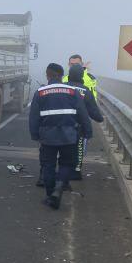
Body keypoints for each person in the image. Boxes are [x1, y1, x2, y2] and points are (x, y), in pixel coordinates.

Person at [30, 63, 92, 210]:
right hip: (69, 135)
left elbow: (33, 117)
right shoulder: (72, 91)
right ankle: (59, 188)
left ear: (47, 75)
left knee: (48, 165)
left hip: (47, 136)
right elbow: (82, 113)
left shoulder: (40, 92)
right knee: (67, 164)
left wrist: (35, 134)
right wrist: (88, 132)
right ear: (62, 75)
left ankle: (50, 195)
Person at [67, 64, 103, 182]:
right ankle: (76, 171)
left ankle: (63, 169)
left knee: (63, 148)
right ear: (81, 76)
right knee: (79, 147)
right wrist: (99, 119)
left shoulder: (62, 87)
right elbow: (94, 112)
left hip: (60, 124)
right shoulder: (85, 91)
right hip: (79, 127)